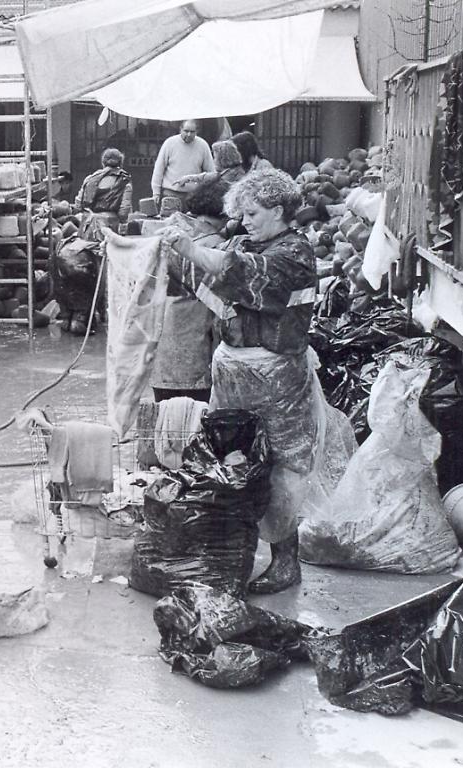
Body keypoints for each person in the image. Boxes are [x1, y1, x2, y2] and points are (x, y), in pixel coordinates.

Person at [160, 169, 318, 594]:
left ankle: (287, 561)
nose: (244, 221)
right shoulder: (253, 241)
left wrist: (189, 248)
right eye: (241, 213)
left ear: (279, 210)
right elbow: (213, 284)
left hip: (276, 377)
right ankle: (231, 552)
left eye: (253, 213)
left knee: (281, 464)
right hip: (235, 369)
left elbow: (237, 271)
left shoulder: (293, 255)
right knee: (229, 460)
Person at [151, 176, 230, 403]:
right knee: (195, 427)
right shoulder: (217, 247)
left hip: (163, 349)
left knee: (168, 423)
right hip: (196, 352)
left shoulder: (170, 234)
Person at [151, 120, 215, 207]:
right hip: (171, 193)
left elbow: (211, 172)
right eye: (186, 131)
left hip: (193, 195)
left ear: (197, 131)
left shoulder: (203, 145)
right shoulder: (169, 143)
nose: (188, 134)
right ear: (180, 129)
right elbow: (159, 168)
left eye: (192, 132)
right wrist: (156, 193)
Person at [74, 148, 132, 238]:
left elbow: (78, 205)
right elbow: (123, 211)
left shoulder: (89, 179)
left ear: (103, 162)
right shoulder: (124, 181)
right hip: (110, 228)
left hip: (88, 226)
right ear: (121, 163)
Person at [171, 140, 245, 194]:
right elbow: (210, 176)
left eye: (215, 157)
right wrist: (188, 178)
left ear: (223, 159)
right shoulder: (229, 172)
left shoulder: (230, 179)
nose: (213, 160)